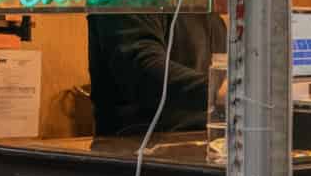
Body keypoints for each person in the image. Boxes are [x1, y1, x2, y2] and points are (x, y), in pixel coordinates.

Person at [86, 11, 227, 135]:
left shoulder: (205, 6)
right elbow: (142, 72)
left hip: (202, 144)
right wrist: (217, 89)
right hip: (137, 148)